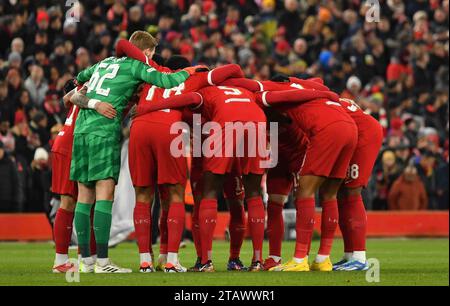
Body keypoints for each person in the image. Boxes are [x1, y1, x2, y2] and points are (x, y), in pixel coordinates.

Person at [69, 30, 197, 274]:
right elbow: (168, 81)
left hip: (81, 130)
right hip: (103, 131)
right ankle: (103, 263)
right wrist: (190, 71)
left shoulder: (104, 62)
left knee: (84, 196)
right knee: (104, 192)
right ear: (146, 52)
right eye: (151, 53)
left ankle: (86, 261)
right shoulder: (137, 66)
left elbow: (79, 81)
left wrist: (93, 102)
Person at [0, 141, 19, 212]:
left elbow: (16, 182)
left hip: (7, 200)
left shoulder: (10, 163)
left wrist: (16, 200)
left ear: (3, 150)